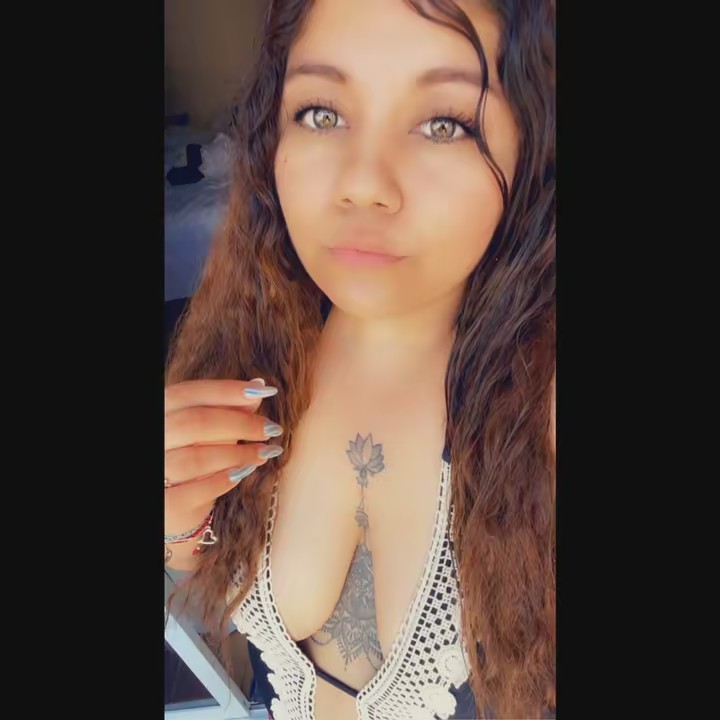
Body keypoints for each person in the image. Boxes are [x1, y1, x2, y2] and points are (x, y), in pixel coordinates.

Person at [164, 0, 555, 718]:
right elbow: (203, 559)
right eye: (322, 113)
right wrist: (179, 521)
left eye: (444, 124)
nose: (363, 183)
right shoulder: (249, 343)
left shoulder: (542, 404)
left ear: (533, 147)